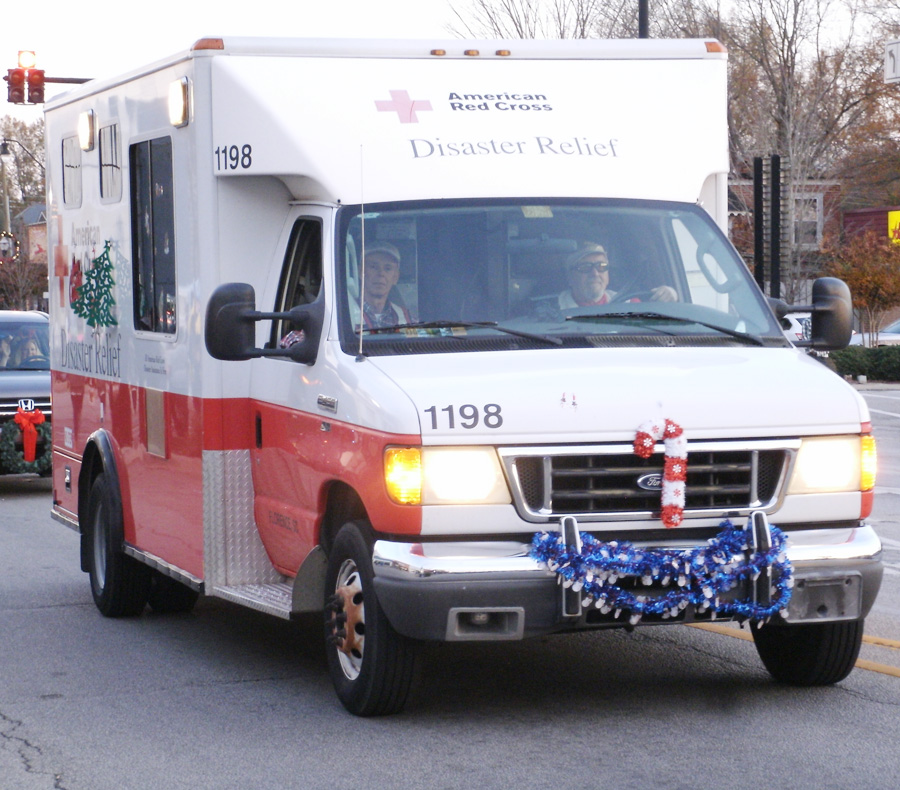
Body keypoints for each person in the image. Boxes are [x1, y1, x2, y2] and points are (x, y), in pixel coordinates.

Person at [555, 242, 676, 310]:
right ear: (570, 278)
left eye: (601, 266)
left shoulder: (629, 304)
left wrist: (669, 295)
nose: (595, 273)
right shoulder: (551, 310)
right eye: (585, 267)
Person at [358, 242, 412, 329]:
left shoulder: (408, 320)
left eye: (388, 268)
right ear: (361, 272)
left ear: (396, 277)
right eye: (373, 267)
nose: (381, 273)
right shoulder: (344, 313)